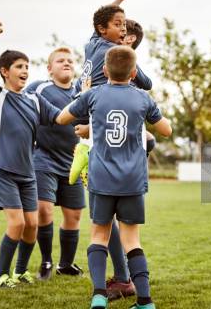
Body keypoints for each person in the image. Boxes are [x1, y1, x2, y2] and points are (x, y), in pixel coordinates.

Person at [56, 45, 172, 309]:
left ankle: (98, 296)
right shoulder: (143, 98)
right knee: (132, 240)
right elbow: (166, 130)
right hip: (132, 180)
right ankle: (145, 301)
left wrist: (86, 104)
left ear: (105, 70)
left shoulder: (94, 94)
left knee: (99, 236)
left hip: (102, 178)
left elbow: (63, 118)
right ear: (133, 73)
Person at [0, 18, 60, 288]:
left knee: (31, 226)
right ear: (5, 71)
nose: (25, 70)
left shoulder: (34, 100)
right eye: (19, 66)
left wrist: (84, 118)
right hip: (3, 169)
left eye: (27, 66)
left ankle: (20, 272)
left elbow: (61, 118)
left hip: (28, 174)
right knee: (16, 224)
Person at [25, 47, 85, 280]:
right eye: (60, 60)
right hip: (44, 158)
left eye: (70, 60)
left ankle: (65, 264)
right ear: (50, 68)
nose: (66, 63)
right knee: (44, 210)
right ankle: (46, 262)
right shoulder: (38, 88)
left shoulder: (83, 92)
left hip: (73, 163)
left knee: (74, 216)